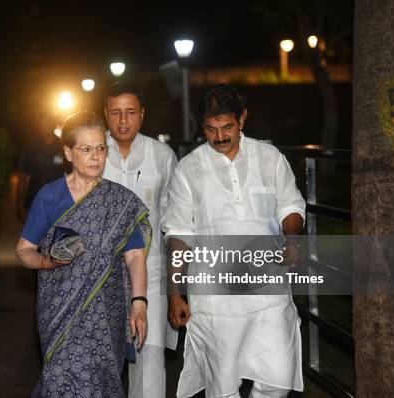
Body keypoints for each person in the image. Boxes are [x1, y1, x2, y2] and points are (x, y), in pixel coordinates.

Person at [164, 84, 305, 398]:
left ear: (242, 118)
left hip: (267, 287)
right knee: (222, 385)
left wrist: (292, 241)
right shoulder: (189, 170)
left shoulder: (269, 158)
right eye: (211, 129)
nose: (220, 137)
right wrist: (175, 293)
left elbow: (290, 205)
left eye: (227, 127)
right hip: (215, 297)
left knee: (278, 377)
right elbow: (178, 234)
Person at [16, 111, 149, 397]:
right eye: (86, 149)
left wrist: (139, 303)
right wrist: (47, 261)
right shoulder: (50, 196)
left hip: (106, 313)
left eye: (101, 148)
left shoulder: (119, 201)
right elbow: (24, 250)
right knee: (60, 381)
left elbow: (135, 255)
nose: (95, 157)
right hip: (58, 311)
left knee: (102, 383)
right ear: (67, 152)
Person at [102, 81, 178, 398]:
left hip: (152, 274)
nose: (123, 121)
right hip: (101, 277)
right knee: (101, 362)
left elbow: (174, 218)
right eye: (116, 113)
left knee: (150, 362)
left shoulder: (161, 156)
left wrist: (178, 285)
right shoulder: (92, 153)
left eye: (130, 112)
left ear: (142, 115)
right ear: (105, 115)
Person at [16, 111, 65, 221]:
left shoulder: (63, 147)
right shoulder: (30, 147)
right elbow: (23, 178)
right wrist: (19, 205)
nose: (43, 127)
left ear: (53, 124)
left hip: (58, 205)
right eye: (41, 124)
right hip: (34, 204)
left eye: (47, 124)